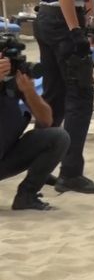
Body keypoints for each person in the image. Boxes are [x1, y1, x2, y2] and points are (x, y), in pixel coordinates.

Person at [32, 0, 94, 194]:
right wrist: (75, 29)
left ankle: (39, 166)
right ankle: (71, 172)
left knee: (54, 97)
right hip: (61, 19)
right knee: (80, 95)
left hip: (49, 15)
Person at [0, 59, 70, 211]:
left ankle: (26, 196)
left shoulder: (12, 84)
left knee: (58, 137)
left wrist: (29, 91)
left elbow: (46, 121)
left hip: (5, 158)